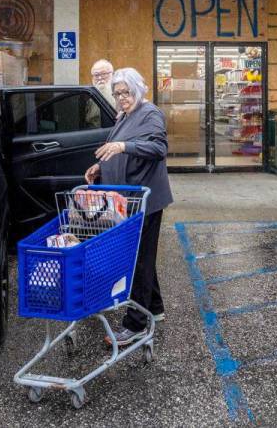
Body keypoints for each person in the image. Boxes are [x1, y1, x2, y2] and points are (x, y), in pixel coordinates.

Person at [85, 67, 172, 345]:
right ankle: (154, 309)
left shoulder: (150, 114)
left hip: (145, 199)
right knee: (142, 257)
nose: (122, 97)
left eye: (126, 92)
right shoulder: (126, 116)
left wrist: (124, 147)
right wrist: (100, 166)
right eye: (117, 93)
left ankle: (136, 324)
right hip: (128, 200)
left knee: (138, 262)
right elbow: (118, 148)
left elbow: (158, 149)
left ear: (138, 88)